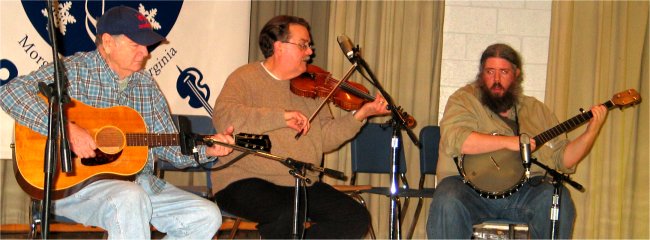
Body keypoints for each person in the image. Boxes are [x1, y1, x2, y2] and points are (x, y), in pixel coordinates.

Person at [0, 6, 234, 239]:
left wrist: (206, 149)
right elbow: (9, 92)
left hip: (140, 185)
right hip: (73, 186)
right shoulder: (74, 70)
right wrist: (67, 131)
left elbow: (171, 149)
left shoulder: (146, 86)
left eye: (146, 45)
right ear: (108, 43)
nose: (146, 52)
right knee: (130, 198)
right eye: (136, 45)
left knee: (206, 215)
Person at [210, 15, 391, 239]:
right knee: (286, 213)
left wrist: (360, 115)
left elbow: (325, 138)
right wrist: (280, 117)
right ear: (279, 47)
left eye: (309, 46)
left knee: (355, 217)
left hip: (299, 181)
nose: (310, 52)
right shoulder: (245, 78)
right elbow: (225, 117)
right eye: (303, 45)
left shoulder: (311, 87)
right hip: (244, 179)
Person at [426, 43, 607, 239]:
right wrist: (509, 142)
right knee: (447, 199)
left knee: (557, 199)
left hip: (524, 191)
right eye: (489, 71)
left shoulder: (537, 110)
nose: (496, 79)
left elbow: (563, 160)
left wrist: (591, 131)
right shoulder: (464, 100)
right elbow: (458, 140)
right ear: (481, 73)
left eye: (503, 72)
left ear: (516, 74)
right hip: (467, 187)